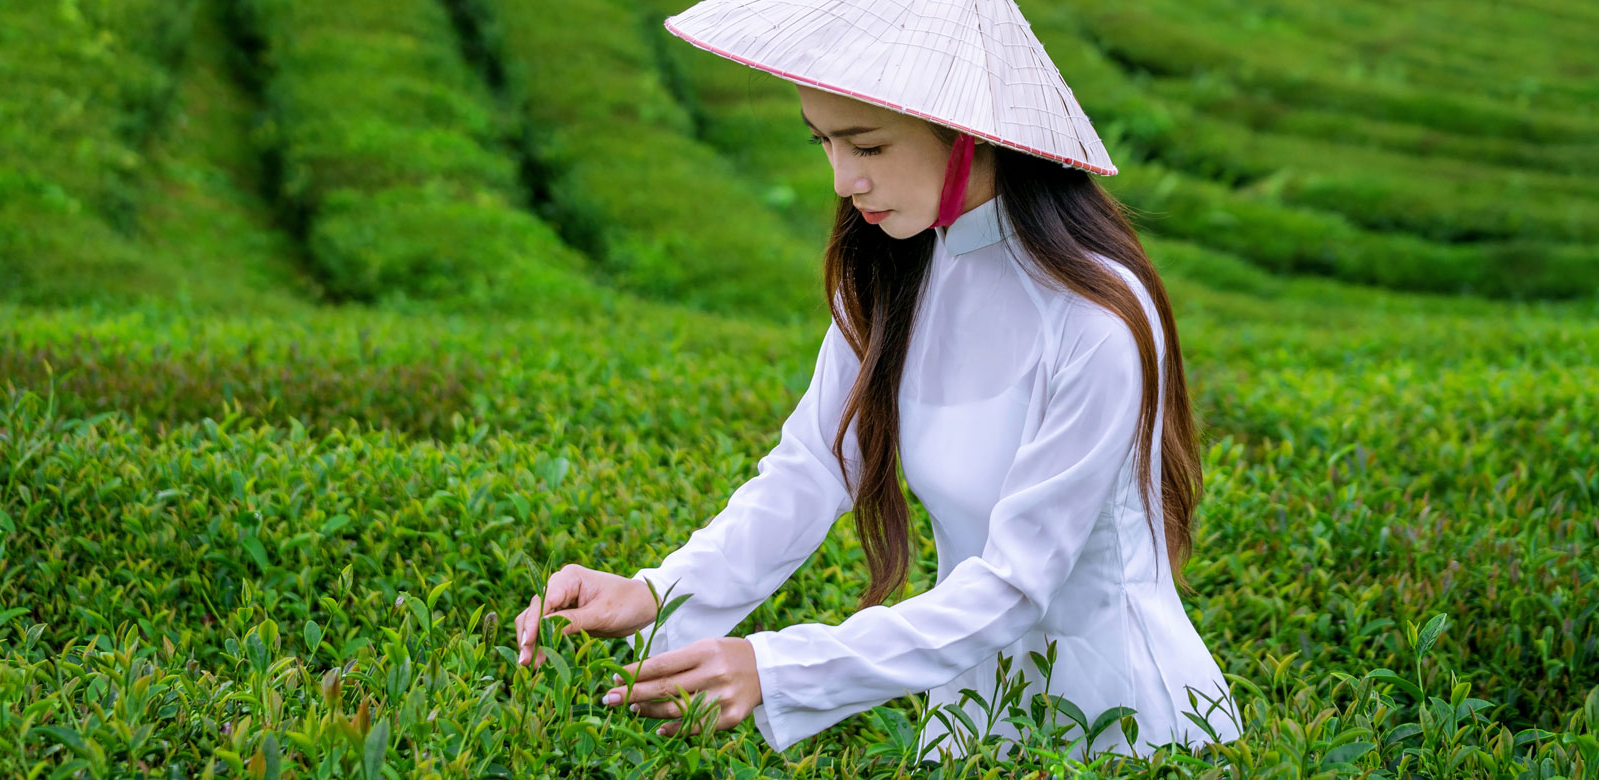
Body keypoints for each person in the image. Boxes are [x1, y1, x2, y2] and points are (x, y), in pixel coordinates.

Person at [514, 0, 1245, 761]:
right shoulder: (895, 273)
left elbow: (1017, 583)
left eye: (867, 144)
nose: (843, 178)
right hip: (970, 723)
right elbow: (813, 467)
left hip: (1131, 730)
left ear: (968, 131)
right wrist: (655, 595)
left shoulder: (1095, 321)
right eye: (823, 141)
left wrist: (778, 668)